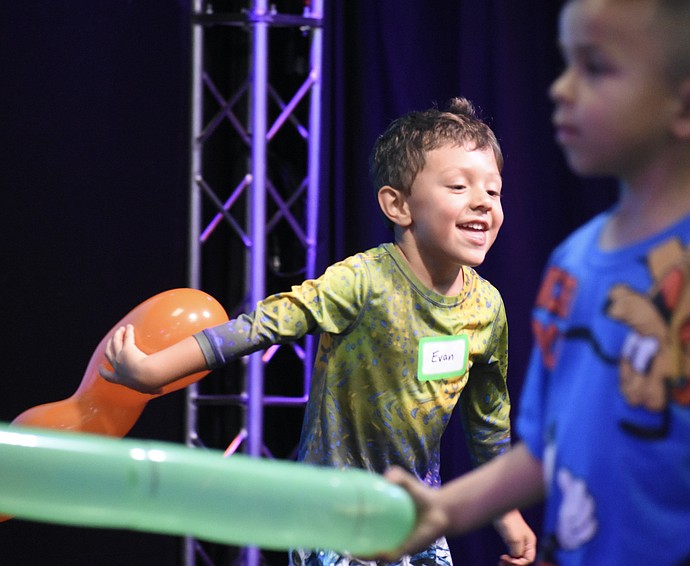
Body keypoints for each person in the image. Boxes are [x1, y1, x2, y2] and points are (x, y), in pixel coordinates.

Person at [380, 1, 690, 565]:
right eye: (567, 64)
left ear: (689, 106)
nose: (562, 89)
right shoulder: (573, 262)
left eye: (596, 68)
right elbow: (546, 450)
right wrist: (442, 511)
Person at [99, 97, 536, 566]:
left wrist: (506, 511)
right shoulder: (363, 281)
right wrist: (151, 371)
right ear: (398, 205)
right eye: (458, 186)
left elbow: (488, 418)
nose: (482, 203)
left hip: (414, 517)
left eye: (494, 191)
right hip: (334, 516)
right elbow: (261, 325)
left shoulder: (486, 307)